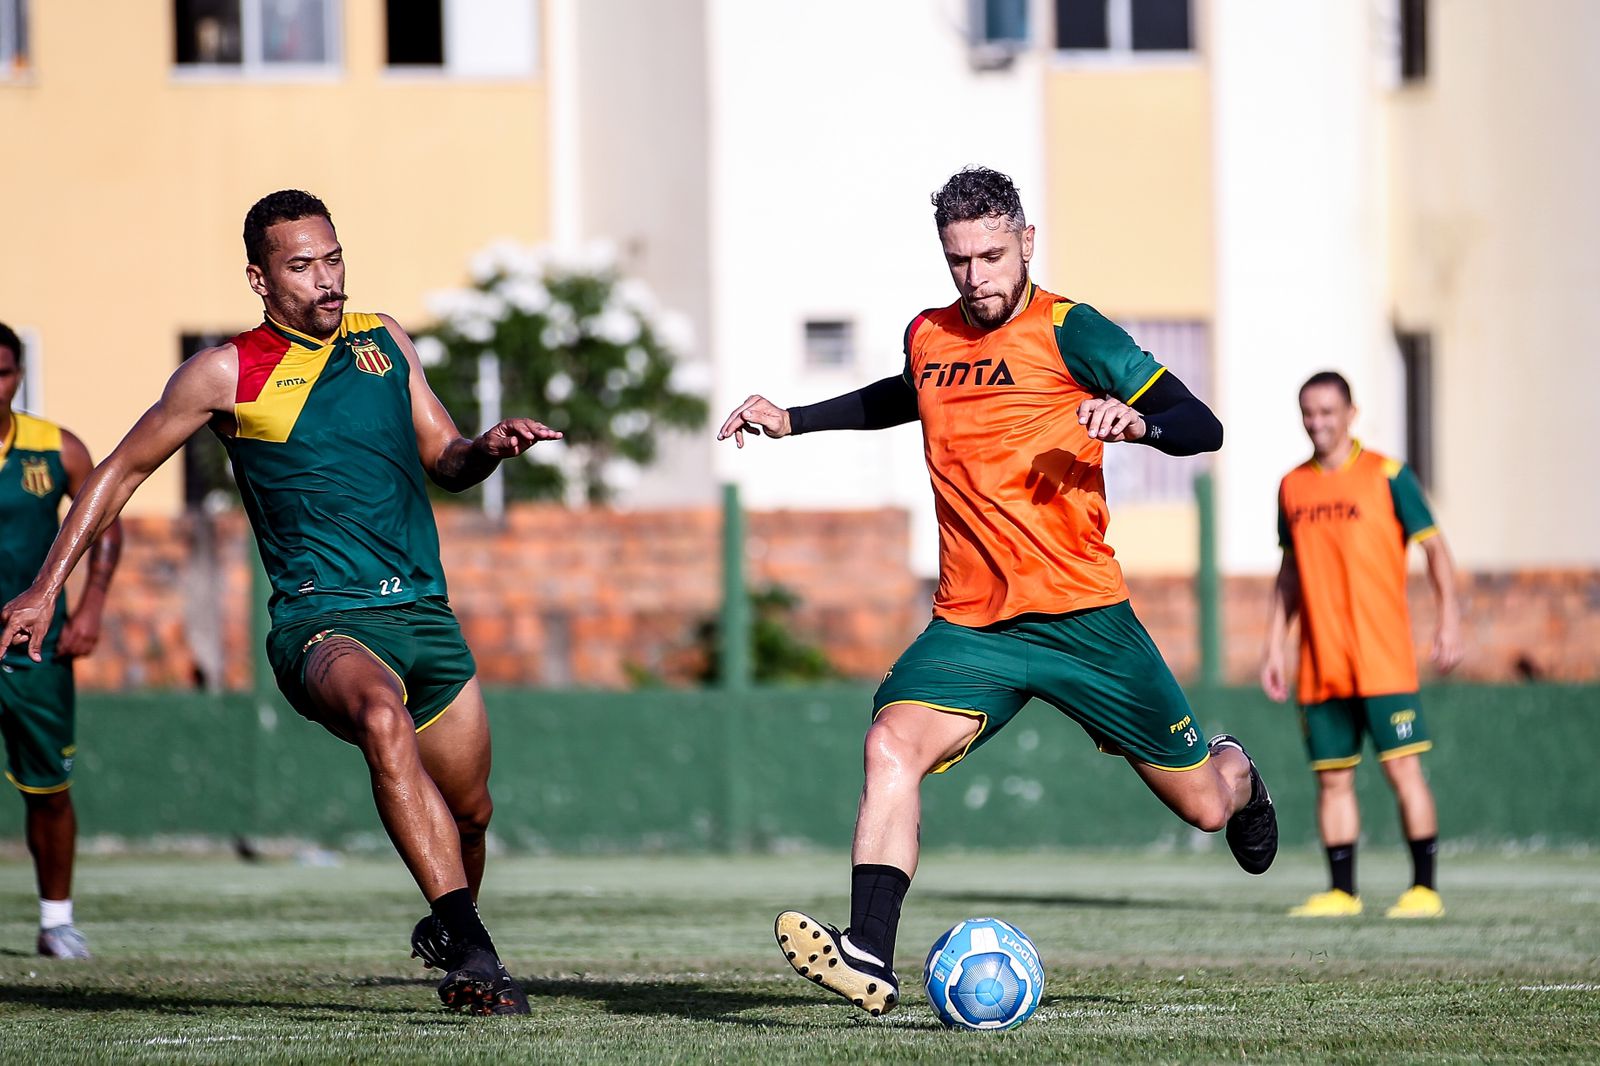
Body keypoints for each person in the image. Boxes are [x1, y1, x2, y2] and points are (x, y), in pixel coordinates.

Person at [716, 166, 1278, 1018]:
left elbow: (1204, 425)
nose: (975, 277)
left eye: (989, 255)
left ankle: (1241, 773)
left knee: (1202, 804)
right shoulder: (928, 334)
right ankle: (868, 952)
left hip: (1086, 620)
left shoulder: (1071, 330)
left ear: (1024, 242)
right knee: (889, 747)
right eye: (958, 261)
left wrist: (1141, 424)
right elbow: (903, 396)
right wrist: (794, 418)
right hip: (972, 624)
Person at [0, 191, 561, 1013]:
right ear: (260, 280)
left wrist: (488, 448)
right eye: (302, 266)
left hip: (425, 619)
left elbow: (445, 455)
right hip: (322, 625)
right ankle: (475, 951)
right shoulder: (226, 372)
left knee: (471, 813)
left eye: (333, 258)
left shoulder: (384, 338)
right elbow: (117, 473)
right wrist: (48, 587)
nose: (326, 279)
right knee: (379, 716)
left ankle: (453, 935)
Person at [1261, 370, 1461, 919]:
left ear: (1352, 413)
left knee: (1403, 772)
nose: (1317, 422)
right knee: (1332, 780)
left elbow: (1436, 550)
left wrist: (1449, 620)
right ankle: (1342, 893)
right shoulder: (1292, 486)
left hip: (1383, 660)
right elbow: (1289, 573)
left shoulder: (1388, 475)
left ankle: (1424, 889)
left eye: (1327, 411)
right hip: (1321, 663)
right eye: (1309, 412)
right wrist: (1274, 645)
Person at [0, 321, 123, 960]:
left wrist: (93, 604)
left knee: (48, 788)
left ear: (18, 375)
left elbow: (104, 520)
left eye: (2, 373)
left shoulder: (56, 449)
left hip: (32, 650)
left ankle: (56, 921)